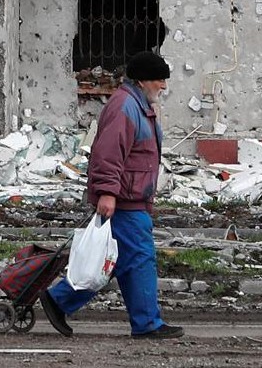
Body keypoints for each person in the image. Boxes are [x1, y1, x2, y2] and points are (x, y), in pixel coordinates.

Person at [39, 49, 183, 340]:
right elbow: (107, 154)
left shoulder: (137, 105)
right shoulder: (125, 107)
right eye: (159, 80)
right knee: (139, 257)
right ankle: (146, 324)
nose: (163, 86)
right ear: (142, 81)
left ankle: (61, 301)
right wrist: (107, 192)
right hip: (124, 202)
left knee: (119, 260)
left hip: (130, 199)